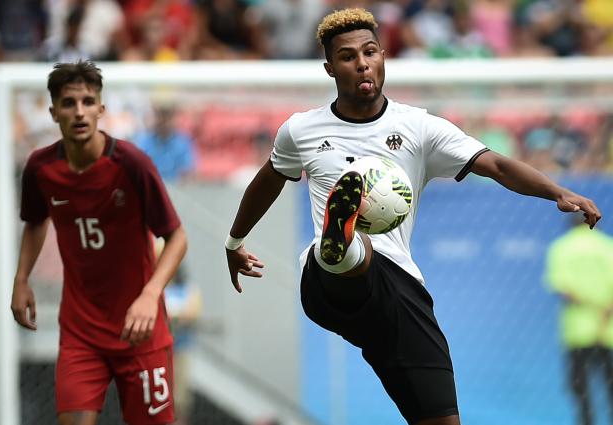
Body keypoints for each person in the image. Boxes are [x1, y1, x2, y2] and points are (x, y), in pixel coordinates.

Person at [224, 8, 602, 425]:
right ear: (330, 67)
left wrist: (558, 191)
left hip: (400, 293)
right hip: (329, 283)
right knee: (351, 248)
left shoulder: (418, 127)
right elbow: (270, 178)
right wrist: (234, 242)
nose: (362, 63)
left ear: (384, 56)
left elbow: (493, 164)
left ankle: (343, 239)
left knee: (441, 419)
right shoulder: (301, 130)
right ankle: (339, 238)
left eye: (370, 52)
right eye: (348, 57)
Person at [10, 61, 187, 425]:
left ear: (101, 110)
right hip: (81, 332)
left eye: (88, 102)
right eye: (69, 103)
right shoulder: (41, 169)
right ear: (53, 112)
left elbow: (176, 237)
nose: (79, 112)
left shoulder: (131, 164)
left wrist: (150, 294)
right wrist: (21, 279)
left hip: (140, 331)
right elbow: (35, 221)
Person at [545, 215, 613, 425]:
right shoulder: (607, 246)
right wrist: (603, 310)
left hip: (577, 332)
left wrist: (589, 305)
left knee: (581, 390)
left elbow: (564, 289)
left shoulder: (561, 247)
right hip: (607, 331)